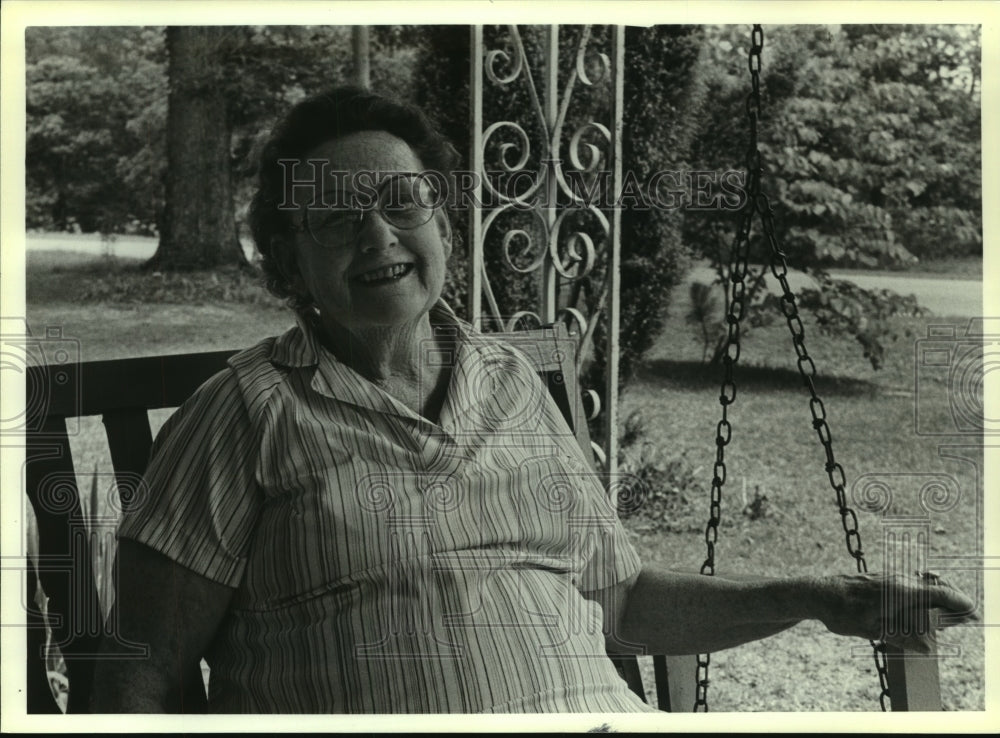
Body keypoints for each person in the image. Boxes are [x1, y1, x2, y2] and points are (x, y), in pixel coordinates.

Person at [91, 87, 976, 714]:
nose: (379, 236)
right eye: (336, 219)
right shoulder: (247, 413)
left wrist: (819, 595)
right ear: (290, 264)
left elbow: (621, 603)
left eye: (405, 204)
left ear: (443, 226)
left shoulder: (512, 383)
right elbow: (140, 669)